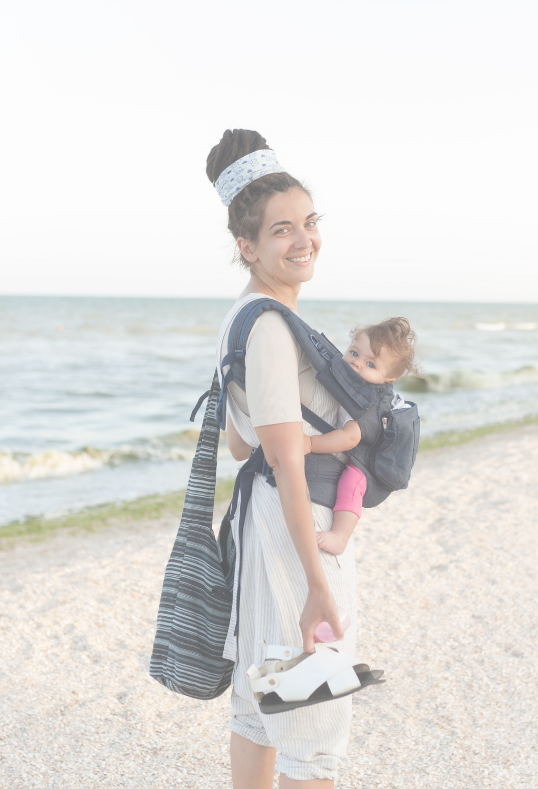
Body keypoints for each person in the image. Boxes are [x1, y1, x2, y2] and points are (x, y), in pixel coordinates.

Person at [207, 128, 354, 789]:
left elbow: (241, 442)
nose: (304, 240)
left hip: (258, 519)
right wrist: (316, 580)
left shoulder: (240, 316)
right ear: (248, 246)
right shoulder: (270, 326)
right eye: (281, 231)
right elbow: (286, 460)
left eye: (310, 222)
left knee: (260, 704)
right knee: (310, 726)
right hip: (292, 528)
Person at [299, 318, 419, 556]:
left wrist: (311, 443)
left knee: (351, 482)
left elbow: (350, 438)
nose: (356, 363)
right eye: (353, 352)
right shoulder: (356, 384)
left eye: (370, 364)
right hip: (365, 450)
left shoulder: (369, 402)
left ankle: (340, 536)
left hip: (371, 467)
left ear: (388, 380)